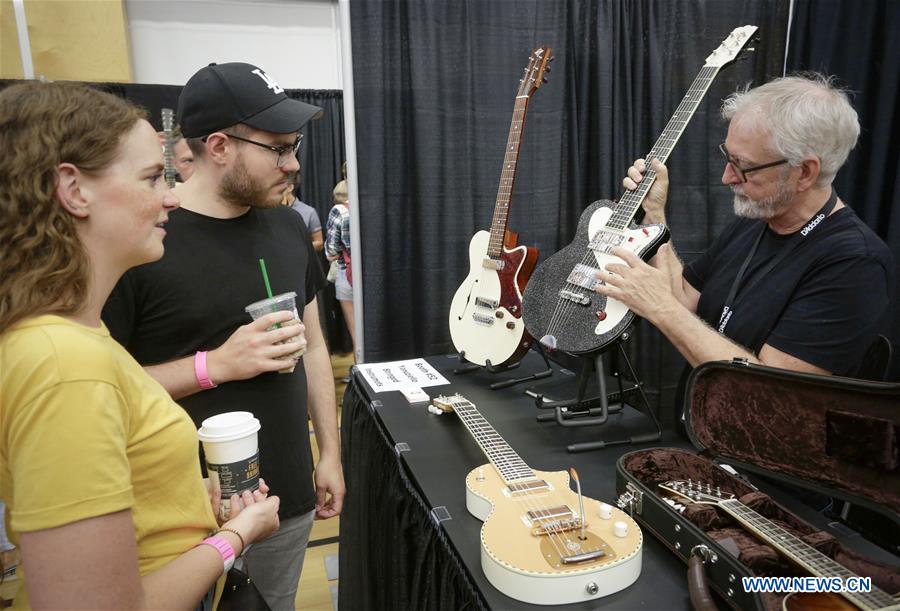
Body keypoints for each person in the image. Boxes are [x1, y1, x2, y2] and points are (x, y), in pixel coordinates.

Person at [0, 81, 280, 610]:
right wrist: (235, 537)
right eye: (153, 177)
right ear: (74, 190)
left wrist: (188, 504)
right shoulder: (64, 362)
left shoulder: (72, 336)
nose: (170, 196)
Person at [102, 62, 345, 611]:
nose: (294, 164)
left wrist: (328, 451)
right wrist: (216, 364)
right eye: (278, 149)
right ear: (218, 146)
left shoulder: (286, 226)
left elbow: (311, 345)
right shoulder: (143, 242)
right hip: (181, 508)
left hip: (284, 491)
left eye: (294, 146)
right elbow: (103, 390)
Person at [597, 74, 893, 385]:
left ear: (804, 172)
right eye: (728, 157)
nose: (727, 177)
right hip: (700, 422)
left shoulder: (855, 263)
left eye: (742, 165)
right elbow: (684, 297)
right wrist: (655, 215)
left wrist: (660, 308)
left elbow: (769, 388)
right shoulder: (759, 218)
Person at [325, 178, 355, 356]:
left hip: (349, 275)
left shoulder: (340, 211)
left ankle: (362, 375)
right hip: (377, 275)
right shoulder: (374, 204)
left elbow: (331, 253)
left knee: (356, 332)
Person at [284, 183, 324, 252]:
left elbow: (319, 243)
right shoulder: (271, 210)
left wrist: (296, 248)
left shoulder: (309, 212)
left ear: (290, 187)